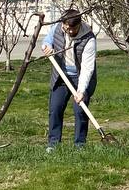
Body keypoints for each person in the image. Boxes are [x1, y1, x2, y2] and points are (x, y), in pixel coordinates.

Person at [42, 8, 98, 149]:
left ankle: (80, 144)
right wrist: (47, 46)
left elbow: (87, 68)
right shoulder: (56, 28)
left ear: (80, 24)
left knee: (80, 111)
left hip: (81, 78)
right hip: (60, 76)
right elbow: (46, 41)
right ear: (63, 24)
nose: (71, 31)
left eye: (74, 28)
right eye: (68, 28)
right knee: (55, 109)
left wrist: (81, 90)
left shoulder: (89, 38)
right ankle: (53, 144)